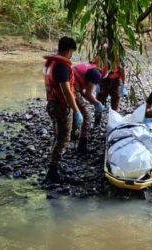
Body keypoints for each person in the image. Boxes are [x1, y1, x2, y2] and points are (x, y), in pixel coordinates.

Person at [43, 36, 83, 183]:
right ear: (68, 50)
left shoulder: (52, 63)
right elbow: (67, 92)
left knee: (58, 135)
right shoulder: (61, 66)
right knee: (64, 138)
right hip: (60, 106)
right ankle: (53, 171)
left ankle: (54, 165)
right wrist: (76, 110)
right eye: (72, 51)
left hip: (52, 104)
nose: (72, 55)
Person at [72, 62, 105, 153]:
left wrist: (93, 101)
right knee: (87, 115)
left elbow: (83, 92)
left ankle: (72, 137)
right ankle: (82, 146)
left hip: (67, 86)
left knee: (75, 112)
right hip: (70, 89)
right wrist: (98, 104)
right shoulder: (96, 75)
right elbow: (88, 94)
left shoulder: (89, 69)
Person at [93, 44, 127, 126]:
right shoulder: (99, 56)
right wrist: (96, 82)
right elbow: (95, 67)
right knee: (100, 100)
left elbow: (122, 70)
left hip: (115, 81)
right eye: (104, 50)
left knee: (115, 101)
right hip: (103, 81)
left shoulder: (118, 56)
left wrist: (123, 84)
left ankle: (114, 121)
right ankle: (97, 120)